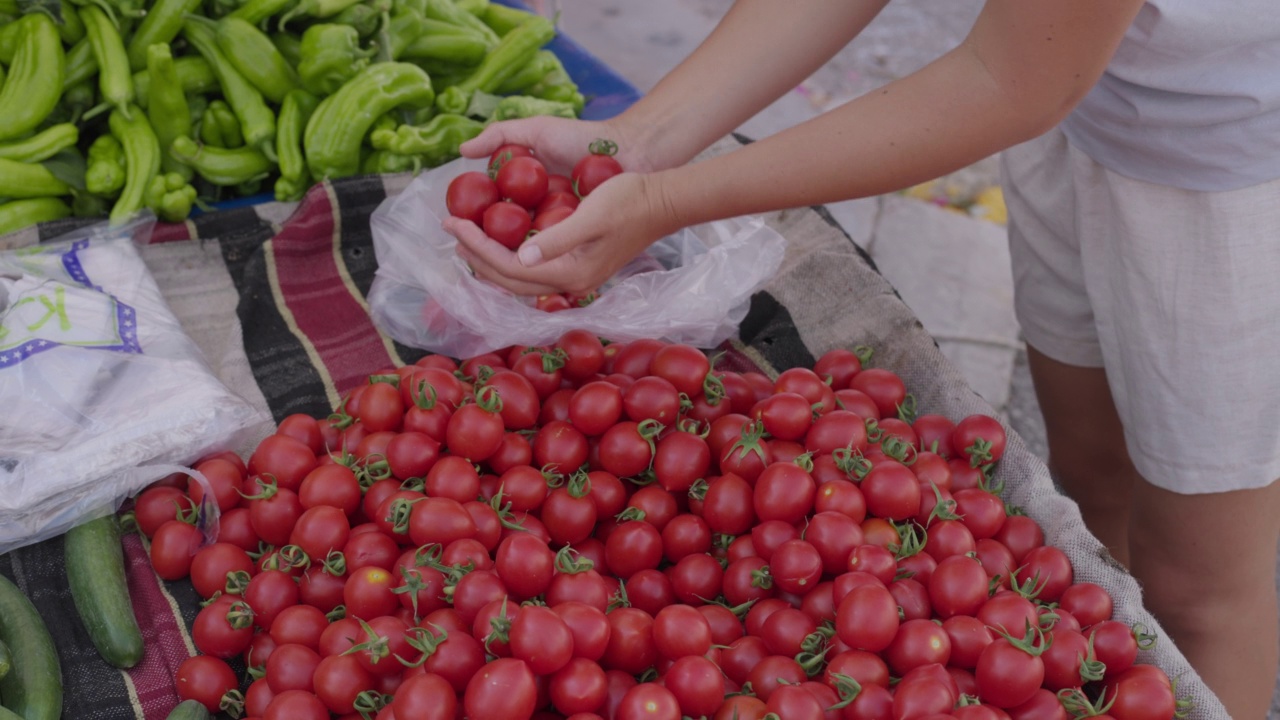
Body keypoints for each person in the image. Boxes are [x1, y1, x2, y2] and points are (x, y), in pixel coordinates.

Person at [442, 2, 1280, 715]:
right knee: (1092, 480)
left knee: (1202, 591)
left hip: (1227, 175)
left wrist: (661, 199)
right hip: (1087, 106)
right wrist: (635, 144)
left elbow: (1006, 81)